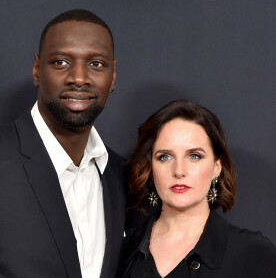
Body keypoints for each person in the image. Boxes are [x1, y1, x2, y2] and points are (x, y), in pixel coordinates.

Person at [0, 9, 127, 278]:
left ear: (113, 77)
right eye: (61, 62)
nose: (79, 78)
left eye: (96, 64)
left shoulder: (123, 176)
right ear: (37, 69)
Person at [116, 100, 276, 277]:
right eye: (165, 157)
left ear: (217, 166)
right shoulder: (122, 249)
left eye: (194, 156)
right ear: (151, 168)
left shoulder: (251, 253)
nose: (179, 171)